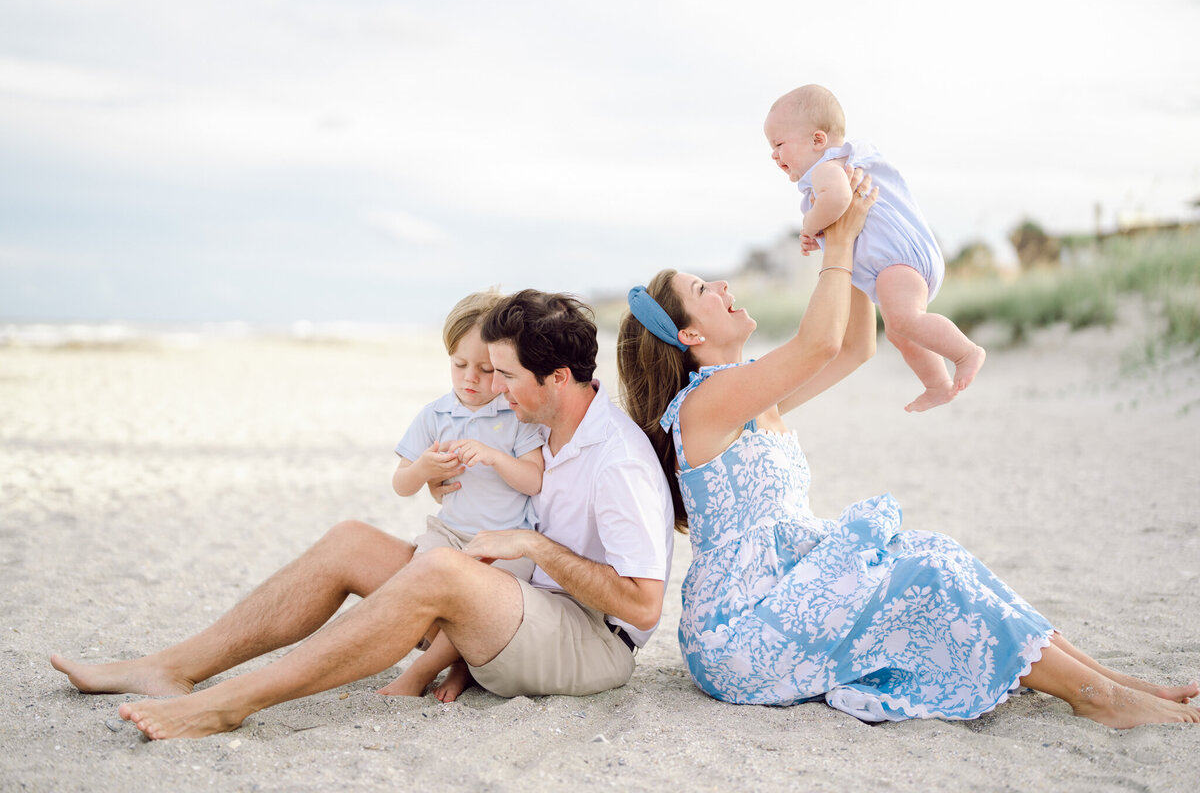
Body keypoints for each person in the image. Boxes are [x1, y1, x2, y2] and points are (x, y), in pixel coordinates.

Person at [617, 168, 1200, 728]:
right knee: (926, 573)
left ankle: (1111, 684)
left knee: (936, 552)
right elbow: (818, 343)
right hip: (741, 632)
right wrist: (837, 241)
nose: (722, 285)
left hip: (785, 594)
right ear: (689, 334)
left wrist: (864, 254)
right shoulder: (705, 405)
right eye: (702, 290)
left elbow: (853, 350)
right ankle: (1096, 697)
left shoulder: (743, 395)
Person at [50, 289, 675, 740]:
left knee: (444, 574)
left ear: (558, 377)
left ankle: (229, 704)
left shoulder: (615, 460)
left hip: (592, 641)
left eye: (507, 376)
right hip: (518, 604)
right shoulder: (542, 422)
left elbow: (643, 606)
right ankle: (171, 669)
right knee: (351, 540)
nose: (496, 390)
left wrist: (533, 548)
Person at [764, 83, 985, 412]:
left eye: (779, 144)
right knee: (899, 330)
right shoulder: (833, 168)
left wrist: (809, 225)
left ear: (818, 140)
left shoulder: (827, 168)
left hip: (896, 261)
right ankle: (937, 383)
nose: (774, 154)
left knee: (906, 321)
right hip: (893, 267)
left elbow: (838, 199)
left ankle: (966, 353)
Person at [381, 290, 545, 703]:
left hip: (507, 543)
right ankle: (461, 663)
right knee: (420, 589)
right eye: (459, 365)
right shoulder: (435, 415)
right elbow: (402, 484)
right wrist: (423, 470)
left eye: (487, 369)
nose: (470, 378)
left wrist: (493, 457)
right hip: (449, 532)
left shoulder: (515, 414)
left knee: (475, 600)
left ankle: (426, 671)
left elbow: (534, 481)